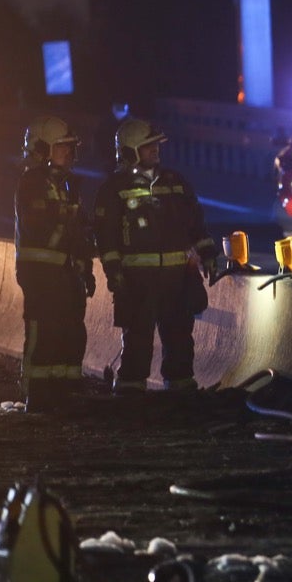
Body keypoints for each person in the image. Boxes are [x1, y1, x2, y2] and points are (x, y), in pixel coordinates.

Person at [92, 118, 219, 393]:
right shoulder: (114, 188)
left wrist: (208, 253)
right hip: (137, 282)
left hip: (177, 280)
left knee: (180, 340)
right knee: (137, 341)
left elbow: (196, 223)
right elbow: (106, 237)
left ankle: (180, 395)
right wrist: (113, 273)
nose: (156, 150)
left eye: (156, 145)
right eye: (148, 146)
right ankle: (130, 397)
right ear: (130, 150)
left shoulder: (176, 181)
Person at [15, 116, 96, 413]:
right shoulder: (31, 183)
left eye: (71, 147)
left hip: (66, 272)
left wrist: (86, 267)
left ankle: (64, 390)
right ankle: (37, 393)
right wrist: (71, 216)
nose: (70, 152)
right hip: (40, 273)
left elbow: (78, 232)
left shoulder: (68, 184)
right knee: (44, 331)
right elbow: (42, 224)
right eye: (62, 146)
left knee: (71, 331)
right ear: (42, 148)